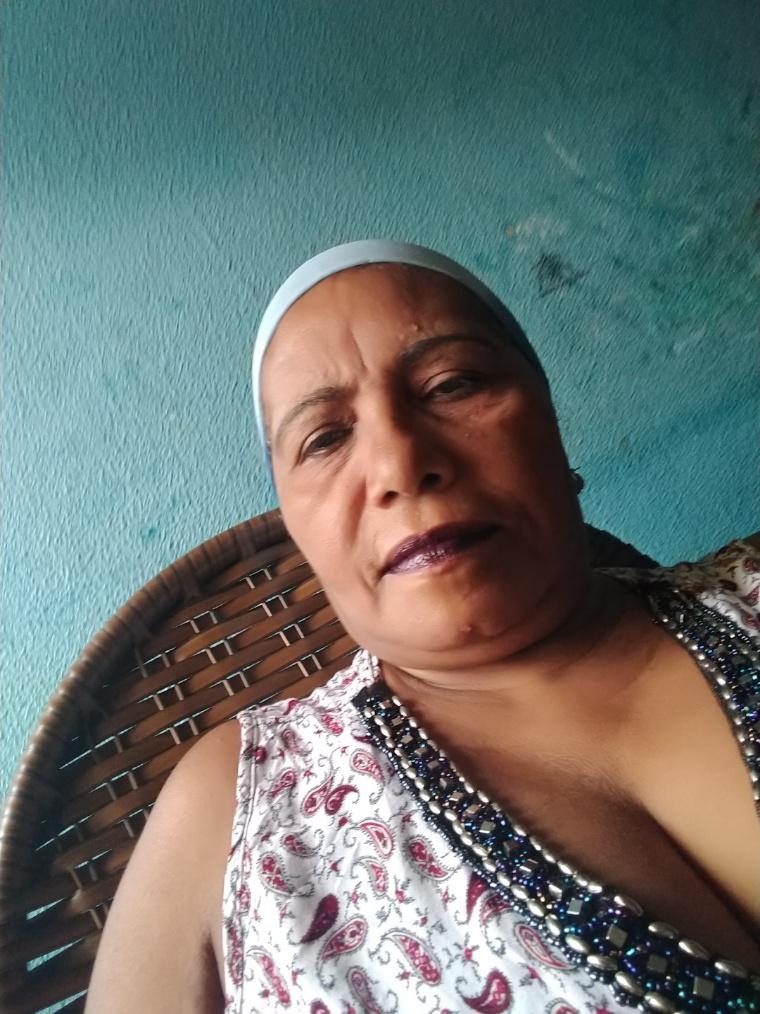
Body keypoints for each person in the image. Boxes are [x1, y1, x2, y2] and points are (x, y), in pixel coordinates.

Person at [85, 241, 760, 1013]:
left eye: (452, 384)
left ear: (551, 428)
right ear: (299, 531)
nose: (401, 464)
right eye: (325, 438)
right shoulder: (233, 804)